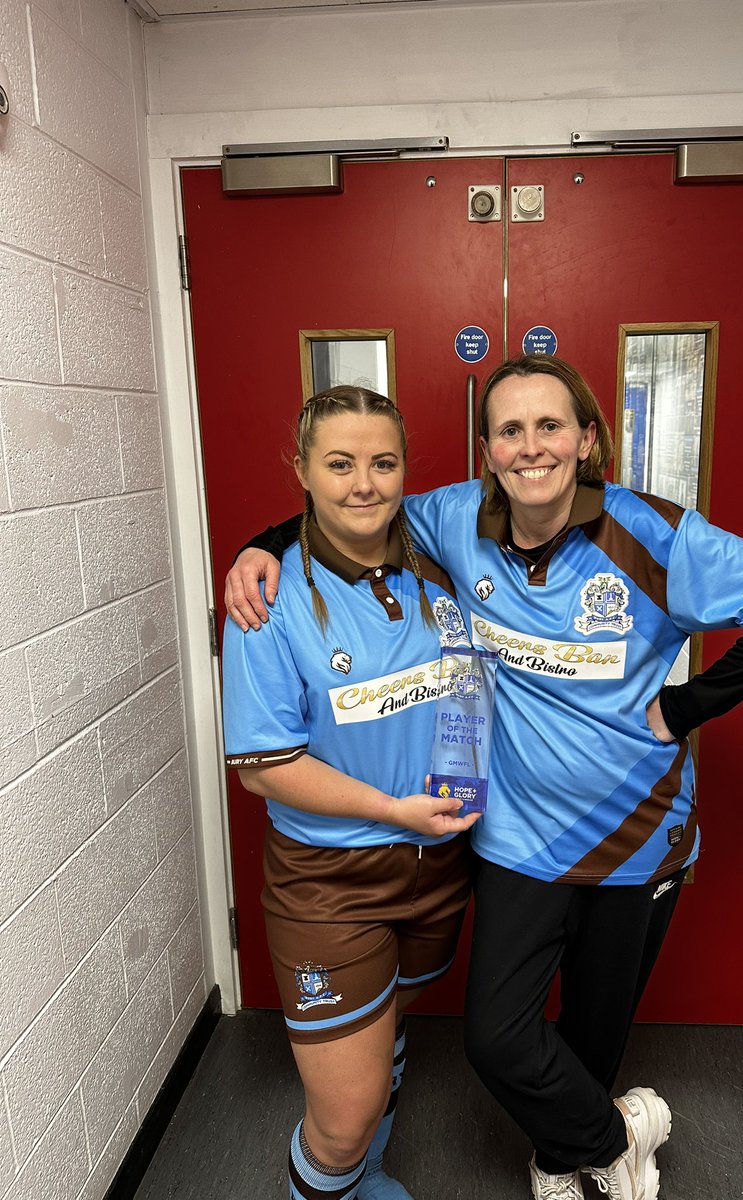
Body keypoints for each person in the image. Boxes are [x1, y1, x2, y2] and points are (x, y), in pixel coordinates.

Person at [225, 356, 743, 1200]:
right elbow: (349, 511)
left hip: (636, 834)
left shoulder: (649, 532)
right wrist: (259, 548)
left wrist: (684, 707)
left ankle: (559, 1161)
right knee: (501, 1039)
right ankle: (621, 1135)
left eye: (550, 425)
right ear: (485, 450)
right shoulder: (452, 520)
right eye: (509, 430)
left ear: (587, 437)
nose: (530, 447)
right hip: (515, 833)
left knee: (590, 1035)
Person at [221, 386, 480, 1200]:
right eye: (339, 464)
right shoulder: (266, 601)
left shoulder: (444, 557)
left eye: (383, 462)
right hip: (331, 882)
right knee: (342, 1116)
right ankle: (340, 1167)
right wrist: (390, 812)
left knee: (391, 1024)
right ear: (299, 469)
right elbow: (264, 767)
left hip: (439, 863)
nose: (364, 482)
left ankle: (364, 1173)